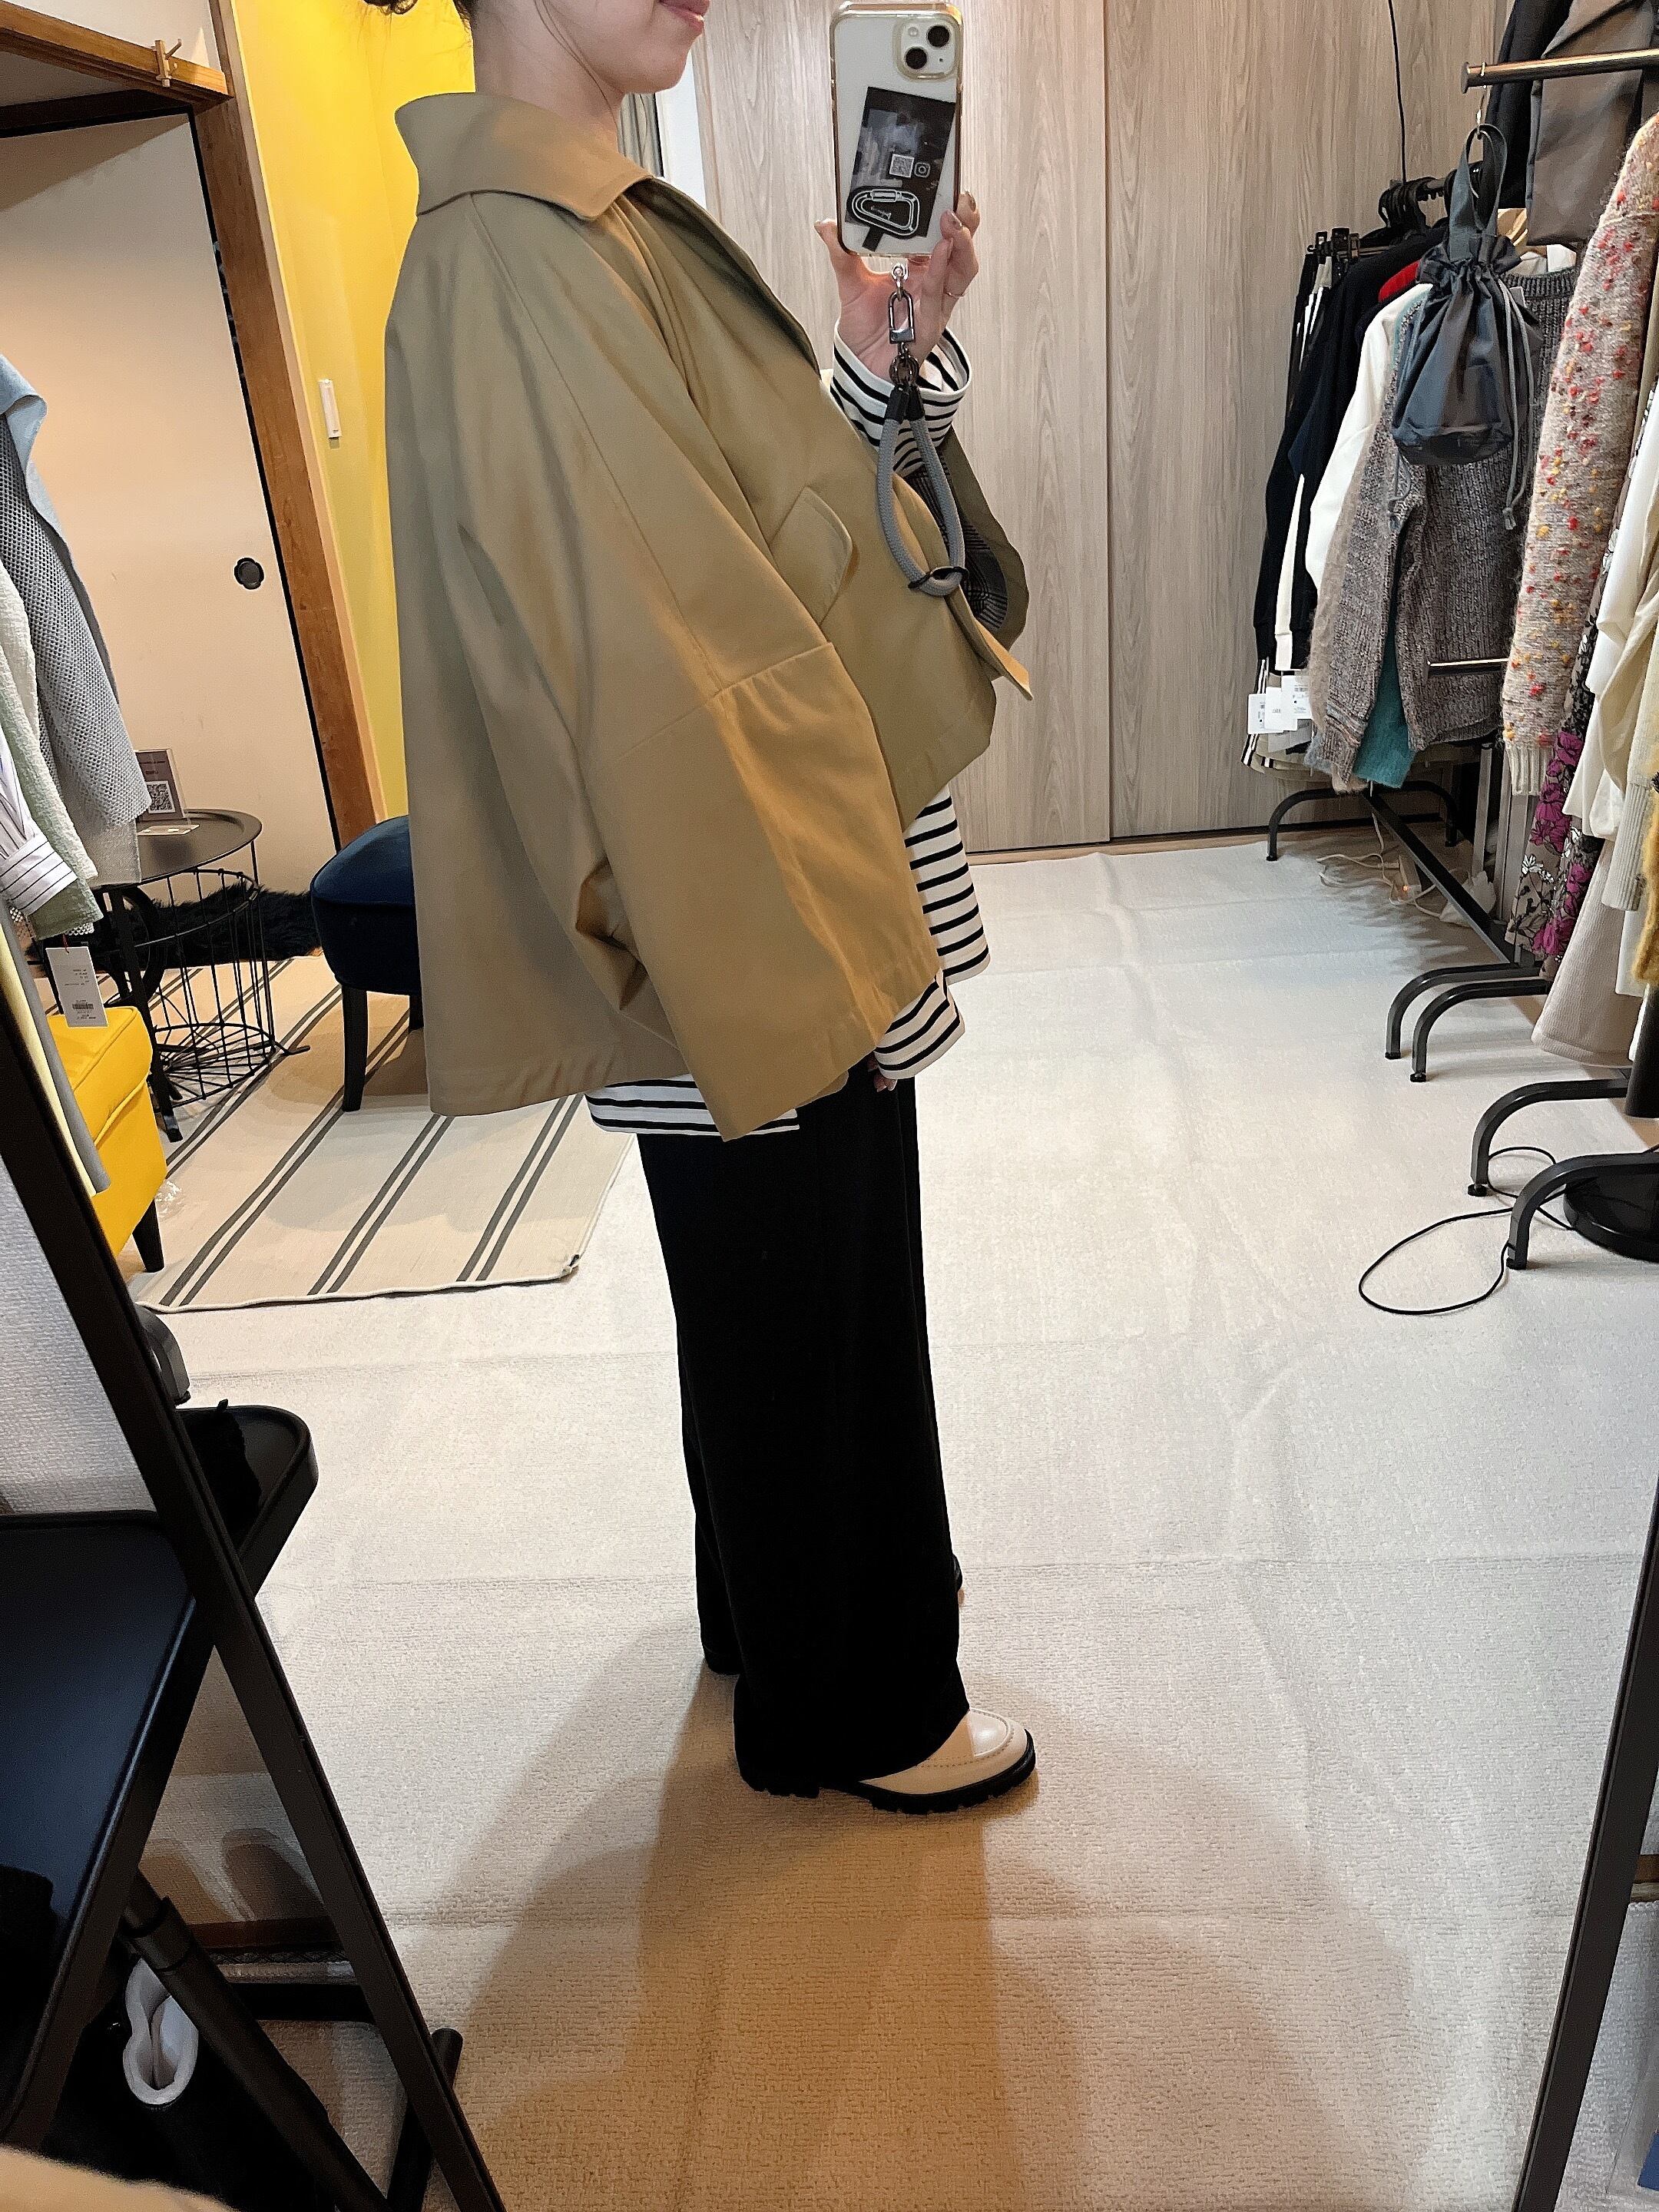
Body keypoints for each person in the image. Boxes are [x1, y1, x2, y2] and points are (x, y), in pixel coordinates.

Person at [364, 0, 1035, 1812]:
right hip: (739, 881)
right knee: (818, 1300)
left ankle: (768, 1623)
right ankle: (862, 1709)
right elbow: (672, 662)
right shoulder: (527, 249)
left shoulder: (578, 220)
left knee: (769, 1287)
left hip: (739, 867)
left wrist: (885, 359)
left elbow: (755, 530)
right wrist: (806, 964)